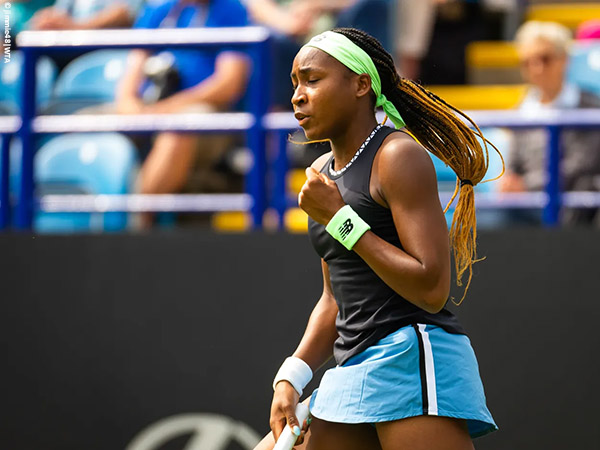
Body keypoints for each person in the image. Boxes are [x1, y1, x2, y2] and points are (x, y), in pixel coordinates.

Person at [255, 28, 498, 449]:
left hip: (409, 358)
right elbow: (335, 298)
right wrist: (292, 374)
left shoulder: (397, 156)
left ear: (360, 84)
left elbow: (432, 288)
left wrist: (340, 219)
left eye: (312, 79)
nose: (297, 95)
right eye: (295, 83)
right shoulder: (323, 176)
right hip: (352, 369)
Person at [116, 0, 251, 227]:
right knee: (77, 123)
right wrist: (129, 106)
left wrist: (165, 109)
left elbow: (229, 83)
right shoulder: (158, 9)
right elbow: (131, 77)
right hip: (150, 108)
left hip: (205, 112)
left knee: (179, 128)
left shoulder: (231, 9)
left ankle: (138, 227)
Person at [500, 21, 600, 226]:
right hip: (528, 204)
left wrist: (527, 186)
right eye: (527, 62)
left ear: (563, 59)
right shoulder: (521, 109)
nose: (536, 68)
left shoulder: (589, 107)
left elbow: (583, 164)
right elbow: (513, 163)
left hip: (576, 203)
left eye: (544, 59)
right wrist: (511, 182)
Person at [30, 0, 143, 30]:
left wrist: (75, 27)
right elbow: (60, 13)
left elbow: (125, 12)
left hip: (109, 51)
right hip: (69, 52)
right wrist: (47, 20)